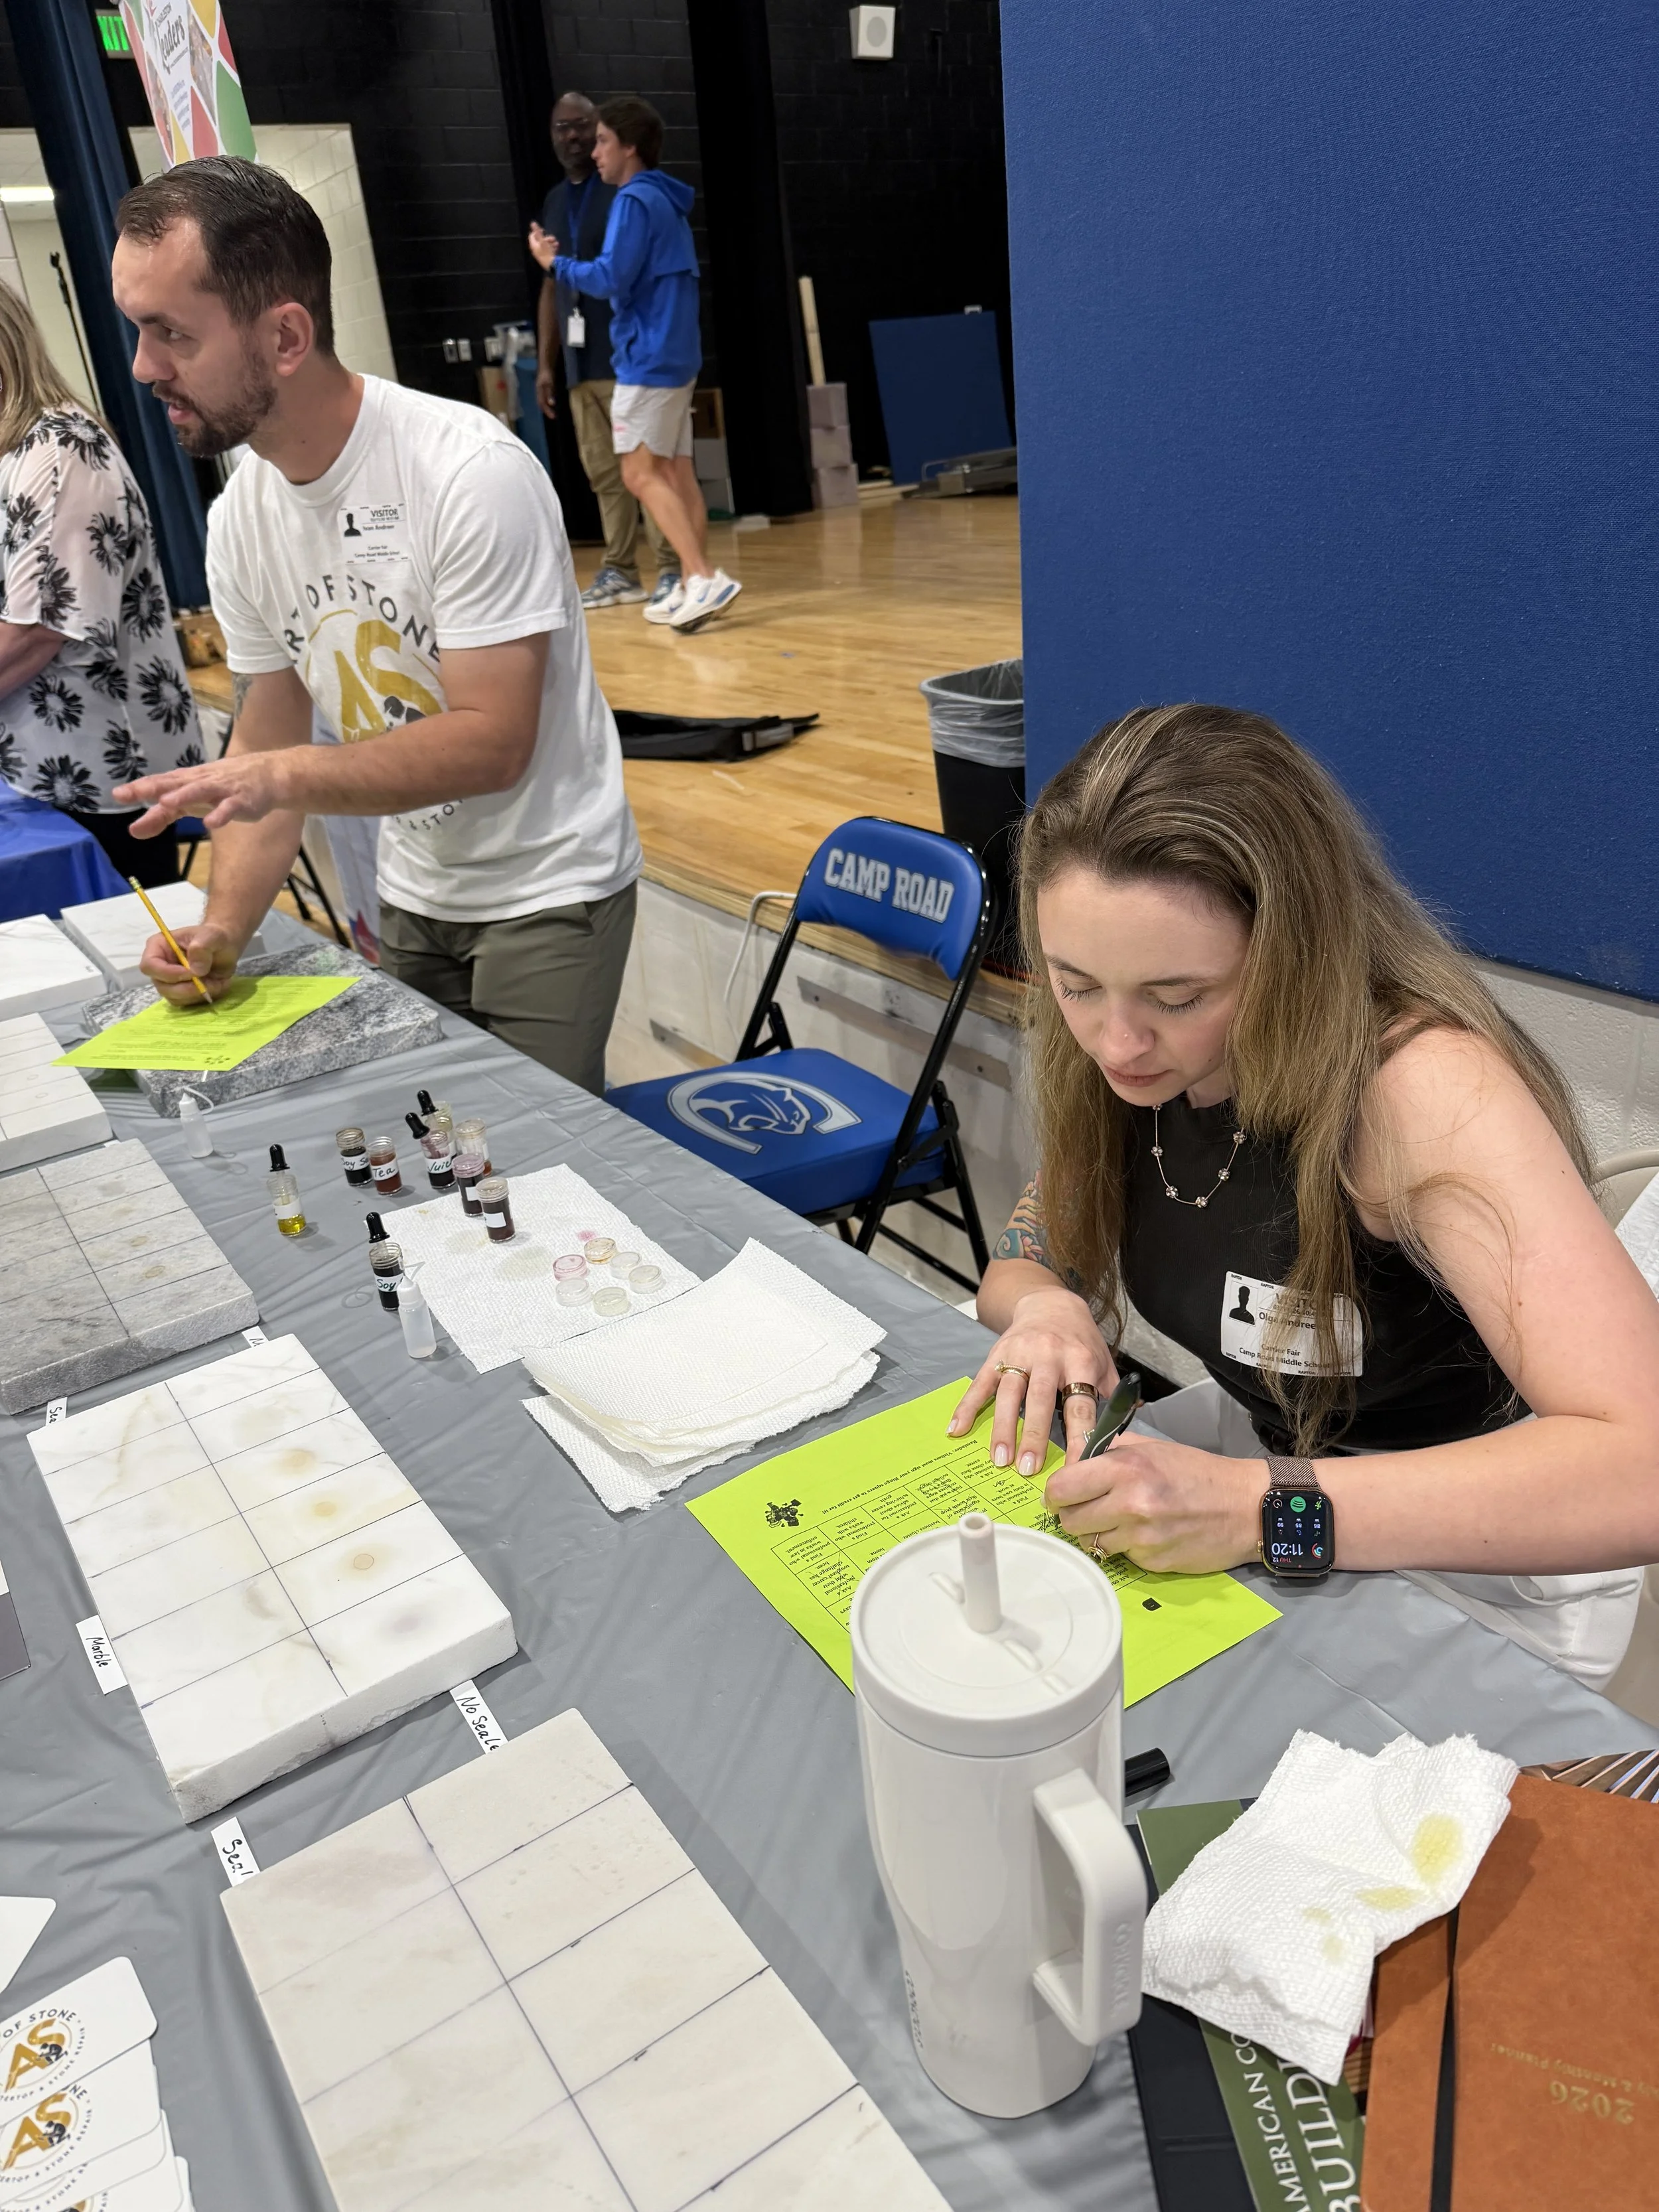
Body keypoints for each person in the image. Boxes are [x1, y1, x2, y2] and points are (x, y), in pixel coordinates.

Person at [951, 704, 1659, 1688]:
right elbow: (1033, 1257)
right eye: (1075, 985)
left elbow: (1643, 1467)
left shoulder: (1415, 1091)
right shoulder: (1123, 1066)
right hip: (1267, 1467)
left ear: (1292, 951)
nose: (1116, 1044)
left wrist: (1259, 1509)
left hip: (1482, 1552)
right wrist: (1047, 1307)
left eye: (1180, 997)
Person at [107, 155, 640, 1095]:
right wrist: (221, 930)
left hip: (548, 888)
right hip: (413, 888)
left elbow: (492, 744)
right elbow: (267, 740)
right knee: (434, 1151)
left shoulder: (468, 472)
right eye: (139, 332)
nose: (145, 367)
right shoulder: (241, 517)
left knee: (536, 1171)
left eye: (170, 334)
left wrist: (279, 773)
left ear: (284, 336)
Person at [0, 282, 200, 887]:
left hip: (106, 780)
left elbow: (38, 631)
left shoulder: (61, 450)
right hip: (40, 772)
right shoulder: (12, 453)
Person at [542, 96, 741, 634]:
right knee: (677, 472)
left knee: (635, 472)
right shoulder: (667, 200)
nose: (596, 151)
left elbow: (609, 279)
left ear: (630, 146)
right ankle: (689, 584)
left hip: (648, 361)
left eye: (604, 140)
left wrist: (553, 263)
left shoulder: (633, 200)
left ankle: (701, 576)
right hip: (678, 356)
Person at [529, 91, 679, 617]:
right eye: (561, 128)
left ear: (602, 132)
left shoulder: (623, 193)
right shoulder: (552, 201)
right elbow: (551, 284)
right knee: (604, 474)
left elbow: (625, 273)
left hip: (626, 357)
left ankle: (672, 569)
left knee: (647, 468)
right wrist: (546, 363)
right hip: (578, 364)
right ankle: (621, 569)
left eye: (583, 127)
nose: (572, 137)